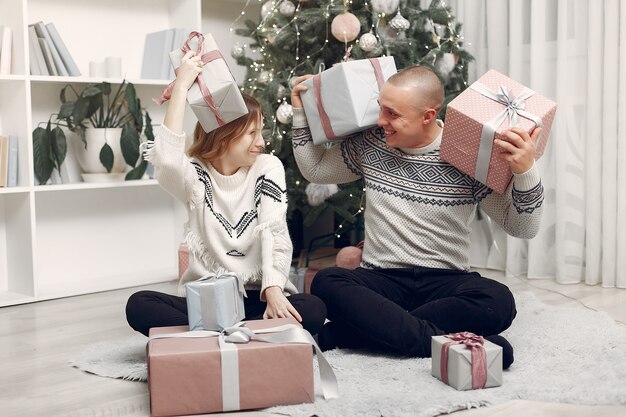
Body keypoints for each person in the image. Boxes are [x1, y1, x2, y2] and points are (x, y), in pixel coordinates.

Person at [289, 66, 544, 368]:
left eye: (392, 114)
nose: (381, 121)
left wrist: (526, 171)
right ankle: (443, 344)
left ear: (427, 115)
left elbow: (523, 227)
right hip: (381, 280)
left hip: (445, 283)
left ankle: (353, 333)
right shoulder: (371, 144)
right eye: (381, 109)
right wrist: (299, 114)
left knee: (498, 300)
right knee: (328, 281)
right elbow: (316, 170)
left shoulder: (467, 155)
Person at [126, 50, 326, 337]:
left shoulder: (267, 166)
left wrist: (272, 288)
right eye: (251, 133)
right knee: (140, 304)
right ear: (223, 135)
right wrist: (181, 86)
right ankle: (253, 337)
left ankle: (207, 338)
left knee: (313, 307)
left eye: (261, 132)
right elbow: (167, 159)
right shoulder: (194, 175)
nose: (261, 142)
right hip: (207, 302)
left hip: (258, 299)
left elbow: (274, 231)